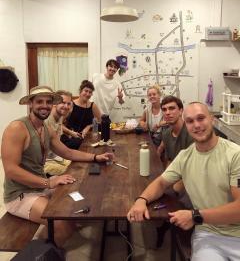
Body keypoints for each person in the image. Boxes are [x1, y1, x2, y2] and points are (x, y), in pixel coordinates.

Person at [1, 85, 113, 247]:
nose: (44, 105)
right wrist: (48, 182)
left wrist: (96, 157)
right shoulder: (17, 128)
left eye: (48, 101)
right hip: (21, 194)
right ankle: (38, 255)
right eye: (39, 101)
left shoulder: (45, 128)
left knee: (81, 193)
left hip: (40, 187)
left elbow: (68, 152)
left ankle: (48, 240)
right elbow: (11, 170)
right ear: (30, 104)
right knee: (63, 225)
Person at [127, 102, 240, 261]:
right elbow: (160, 183)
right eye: (190, 121)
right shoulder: (185, 156)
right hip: (208, 236)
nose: (197, 125)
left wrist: (195, 216)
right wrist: (141, 200)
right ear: (186, 125)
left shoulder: (235, 155)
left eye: (201, 118)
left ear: (212, 120)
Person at [156, 95, 193, 247]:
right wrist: (164, 179)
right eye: (164, 109)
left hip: (193, 182)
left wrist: (171, 187)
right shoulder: (166, 134)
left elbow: (193, 171)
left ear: (181, 110)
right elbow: (170, 161)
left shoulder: (191, 133)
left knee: (166, 195)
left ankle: (184, 237)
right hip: (177, 177)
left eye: (172, 108)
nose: (168, 112)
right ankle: (164, 224)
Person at [61, 80, 101, 149]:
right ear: (80, 91)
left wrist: (89, 126)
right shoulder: (70, 104)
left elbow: (100, 121)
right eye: (86, 91)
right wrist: (70, 132)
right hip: (70, 138)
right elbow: (59, 124)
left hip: (87, 139)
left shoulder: (93, 105)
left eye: (90, 92)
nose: (88, 94)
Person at [44, 90, 73, 176]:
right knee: (72, 171)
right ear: (55, 103)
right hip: (43, 162)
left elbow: (58, 144)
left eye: (68, 104)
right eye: (63, 103)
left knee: (76, 164)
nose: (66, 106)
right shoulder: (46, 120)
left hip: (54, 157)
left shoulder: (60, 117)